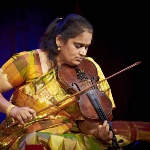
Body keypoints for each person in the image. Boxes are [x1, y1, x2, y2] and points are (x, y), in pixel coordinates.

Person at [0, 13, 129, 150]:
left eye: (86, 47)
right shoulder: (28, 61)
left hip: (68, 136)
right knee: (38, 141)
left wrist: (98, 134)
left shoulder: (90, 69)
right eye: (78, 45)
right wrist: (12, 110)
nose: (83, 53)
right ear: (59, 41)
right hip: (25, 135)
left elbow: (87, 126)